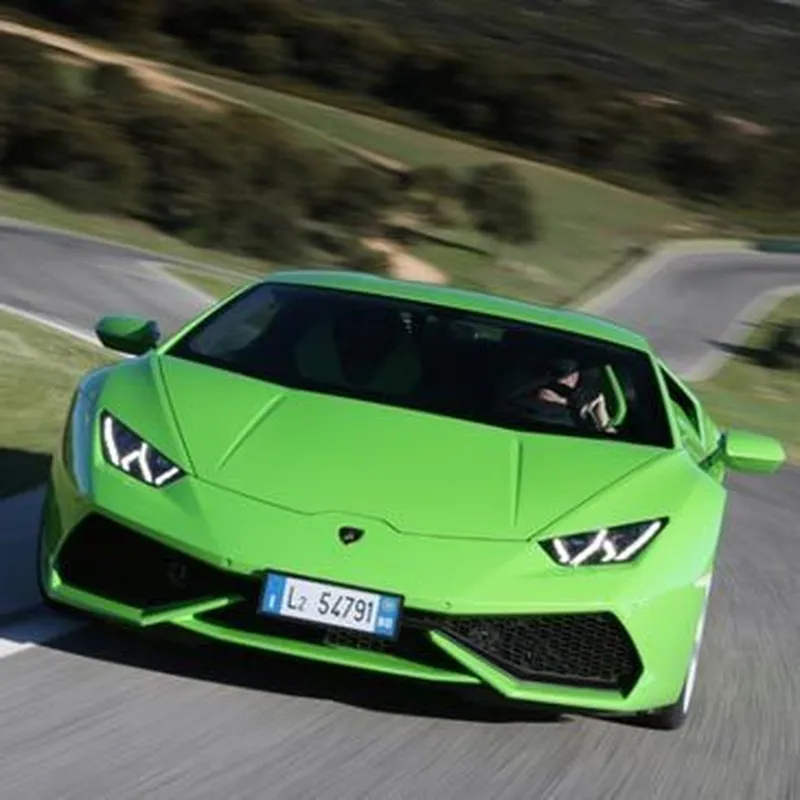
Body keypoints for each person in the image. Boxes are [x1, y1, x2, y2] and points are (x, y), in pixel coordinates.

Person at [506, 357, 617, 434]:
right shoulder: (521, 406)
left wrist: (603, 423)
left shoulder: (584, 411)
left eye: (574, 373)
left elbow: (615, 452)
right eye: (560, 374)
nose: (567, 380)